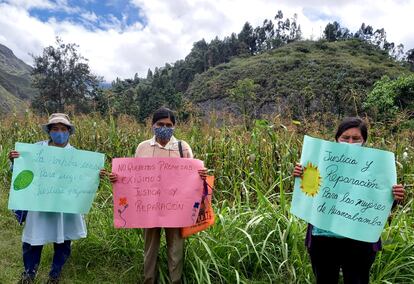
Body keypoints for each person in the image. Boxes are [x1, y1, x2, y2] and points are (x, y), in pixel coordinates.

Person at [293, 117, 405, 284]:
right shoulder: (321, 161)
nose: (350, 142)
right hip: (323, 240)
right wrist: (301, 175)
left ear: (364, 141)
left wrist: (395, 196)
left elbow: (379, 204)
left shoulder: (377, 167)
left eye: (356, 138)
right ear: (337, 139)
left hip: (360, 240)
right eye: (345, 138)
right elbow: (310, 194)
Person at [109, 107, 207, 284]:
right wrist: (118, 178)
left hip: (176, 208)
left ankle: (175, 281)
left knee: (175, 249)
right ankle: (149, 280)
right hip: (149, 206)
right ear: (152, 125)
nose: (164, 127)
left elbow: (193, 173)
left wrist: (200, 175)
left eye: (169, 125)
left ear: (174, 126)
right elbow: (135, 177)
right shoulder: (143, 147)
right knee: (150, 248)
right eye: (160, 124)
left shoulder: (182, 147)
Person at [9, 113, 106, 284]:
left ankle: (55, 274)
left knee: (63, 240)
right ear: (49, 131)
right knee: (33, 239)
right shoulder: (36, 150)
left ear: (69, 132)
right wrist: (15, 160)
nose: (59, 132)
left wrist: (96, 174)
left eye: (63, 129)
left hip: (64, 207)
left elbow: (85, 179)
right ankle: (29, 273)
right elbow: (21, 172)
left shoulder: (77, 156)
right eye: (55, 129)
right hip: (38, 204)